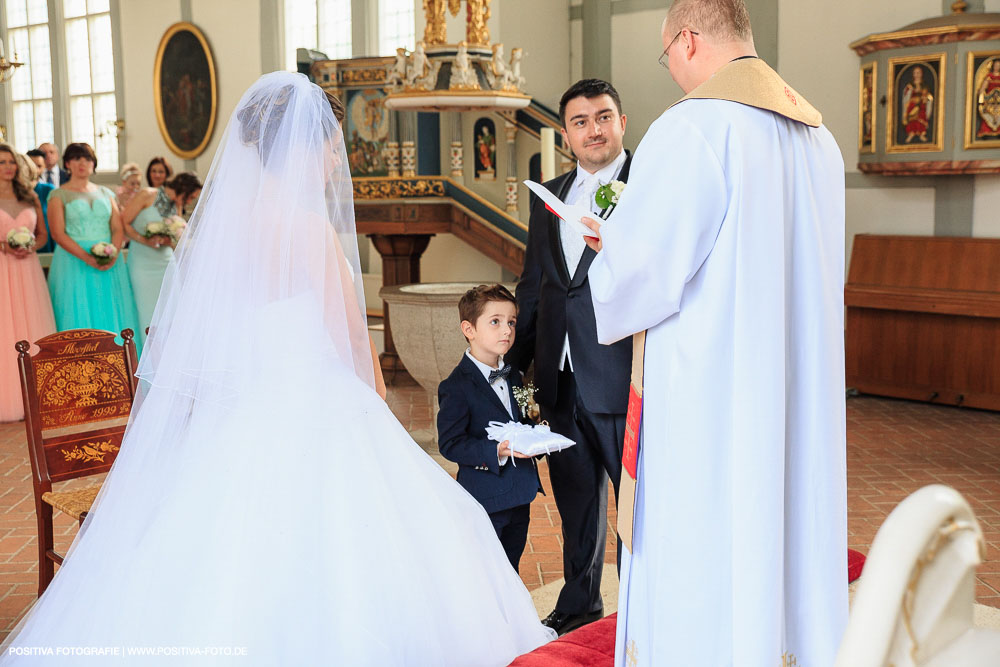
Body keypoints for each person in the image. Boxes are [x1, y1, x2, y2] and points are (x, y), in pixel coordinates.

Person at [0, 72, 554, 665]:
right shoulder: (309, 229)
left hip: (243, 407)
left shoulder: (221, 229)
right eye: (328, 142)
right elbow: (350, 341)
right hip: (319, 402)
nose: (334, 157)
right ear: (303, 146)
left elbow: (215, 332)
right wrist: (378, 416)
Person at [580, 1, 847, 665]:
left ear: (689, 39)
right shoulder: (818, 135)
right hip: (792, 389)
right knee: (786, 524)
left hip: (713, 399)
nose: (670, 69)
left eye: (665, 53)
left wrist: (611, 252)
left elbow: (642, 277)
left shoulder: (694, 128)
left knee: (709, 536)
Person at [507, 78, 633, 636]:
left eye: (603, 117)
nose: (593, 130)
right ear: (565, 134)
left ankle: (639, 607)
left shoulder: (648, 186)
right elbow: (537, 284)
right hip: (559, 377)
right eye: (580, 122)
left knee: (635, 509)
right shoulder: (549, 195)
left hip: (621, 372)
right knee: (577, 501)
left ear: (621, 122)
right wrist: (518, 363)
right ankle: (579, 603)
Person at [437, 284, 542, 573]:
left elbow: (521, 421)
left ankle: (511, 618)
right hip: (486, 498)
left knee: (511, 568)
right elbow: (451, 443)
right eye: (495, 322)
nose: (506, 330)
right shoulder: (456, 387)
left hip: (521, 494)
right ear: (469, 329)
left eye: (511, 322)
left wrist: (538, 433)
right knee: (487, 573)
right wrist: (495, 450)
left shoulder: (514, 377)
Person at [46, 143, 142, 353]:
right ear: (68, 164)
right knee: (77, 310)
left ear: (93, 163)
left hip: (110, 261)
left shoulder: (106, 193)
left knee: (111, 308)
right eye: (76, 158)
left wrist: (113, 254)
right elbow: (58, 234)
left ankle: (117, 363)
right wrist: (88, 258)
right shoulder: (58, 195)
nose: (82, 163)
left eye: (87, 159)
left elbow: (117, 228)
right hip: (74, 261)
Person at [0, 144, 55, 422]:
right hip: (2, 267)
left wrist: (30, 245)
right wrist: (4, 245)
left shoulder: (30, 196)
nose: (7, 167)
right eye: (1, 162)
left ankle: (38, 396)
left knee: (31, 324)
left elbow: (44, 236)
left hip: (28, 269)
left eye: (11, 161)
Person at [122, 172, 202, 336]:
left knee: (171, 309)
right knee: (145, 308)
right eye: (190, 197)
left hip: (166, 263)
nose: (189, 202)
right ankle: (146, 354)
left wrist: (168, 240)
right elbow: (124, 222)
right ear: (183, 189)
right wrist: (144, 240)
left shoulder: (176, 206)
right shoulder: (147, 194)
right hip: (142, 262)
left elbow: (174, 239)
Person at [21, 150, 55, 253]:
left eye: (39, 166)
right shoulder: (15, 192)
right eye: (30, 164)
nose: (34, 169)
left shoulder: (49, 190)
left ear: (44, 167)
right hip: (20, 242)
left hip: (47, 243)